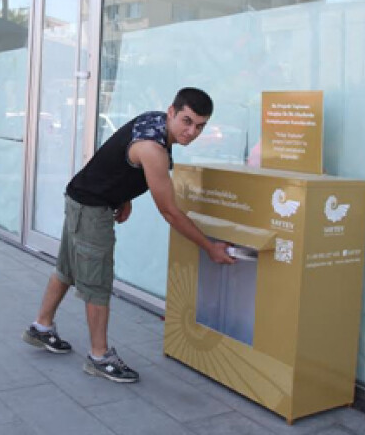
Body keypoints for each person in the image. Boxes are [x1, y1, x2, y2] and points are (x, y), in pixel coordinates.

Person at [22, 87, 235, 383]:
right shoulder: (154, 149)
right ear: (171, 112)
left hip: (81, 198)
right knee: (98, 284)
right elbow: (170, 211)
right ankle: (99, 357)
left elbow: (120, 159)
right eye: (187, 121)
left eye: (200, 126)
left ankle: (41, 327)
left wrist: (123, 196)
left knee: (68, 268)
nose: (192, 132)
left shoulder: (155, 122)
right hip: (92, 208)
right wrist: (209, 247)